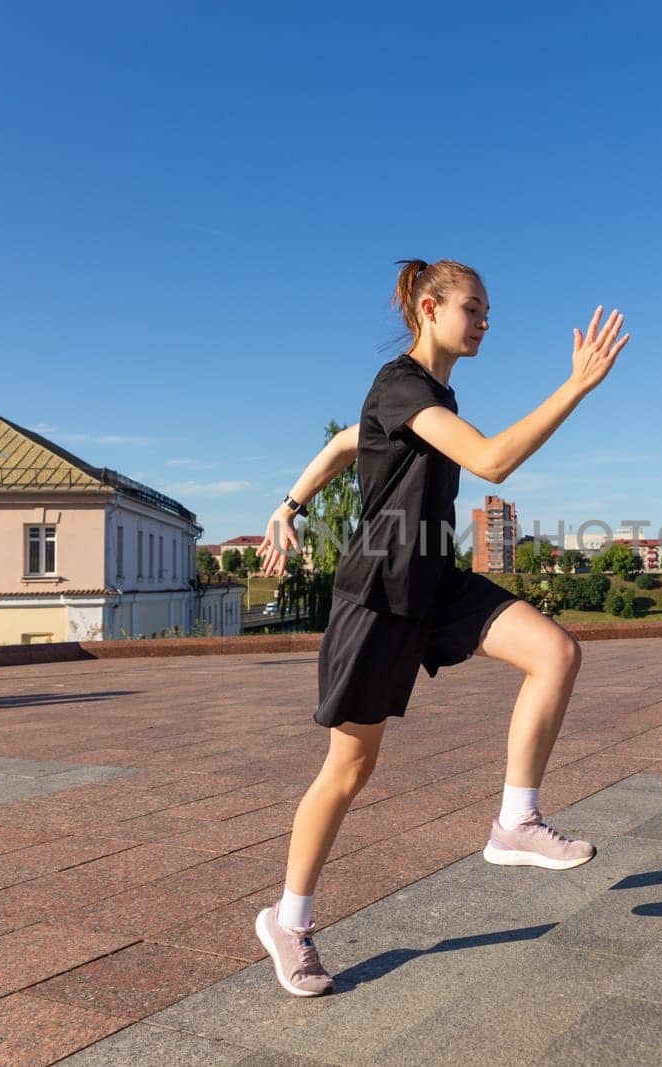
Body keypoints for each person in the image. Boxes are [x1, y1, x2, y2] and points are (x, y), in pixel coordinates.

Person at [253, 258, 629, 997]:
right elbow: (491, 461)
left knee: (556, 651)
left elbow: (342, 446)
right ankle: (287, 921)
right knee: (350, 769)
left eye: (488, 311)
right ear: (430, 308)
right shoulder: (402, 383)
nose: (486, 322)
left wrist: (289, 503)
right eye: (475, 309)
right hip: (377, 595)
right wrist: (578, 384)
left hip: (434, 582)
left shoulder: (429, 394)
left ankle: (515, 821)